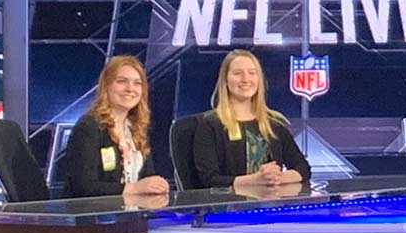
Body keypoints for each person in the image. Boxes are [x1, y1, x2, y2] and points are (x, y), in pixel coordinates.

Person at [191, 49, 311, 193]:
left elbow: (302, 168)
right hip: (228, 209)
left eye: (252, 73)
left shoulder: (273, 124)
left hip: (270, 208)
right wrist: (256, 180)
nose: (246, 79)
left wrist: (276, 178)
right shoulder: (210, 125)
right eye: (237, 73)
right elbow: (209, 179)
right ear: (225, 80)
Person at [63, 55, 170, 199]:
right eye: (122, 81)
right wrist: (133, 188)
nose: (130, 89)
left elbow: (147, 177)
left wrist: (156, 185)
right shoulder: (88, 127)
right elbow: (84, 186)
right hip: (94, 217)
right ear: (106, 86)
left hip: (133, 216)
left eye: (137, 83)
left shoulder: (135, 128)